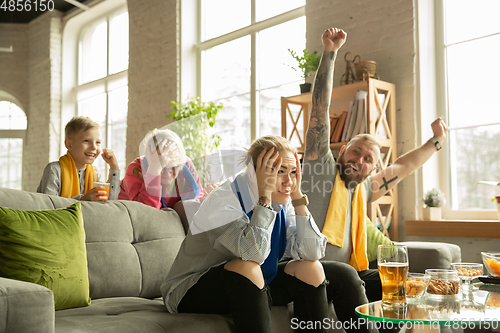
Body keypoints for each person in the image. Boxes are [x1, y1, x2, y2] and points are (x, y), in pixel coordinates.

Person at [302, 25, 447, 304]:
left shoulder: (365, 189)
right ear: (342, 150)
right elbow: (319, 112)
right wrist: (330, 53)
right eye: (356, 152)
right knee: (351, 277)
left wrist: (436, 141)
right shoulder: (320, 169)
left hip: (349, 272)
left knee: (403, 284)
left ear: (373, 168)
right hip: (313, 272)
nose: (359, 160)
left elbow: (405, 166)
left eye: (369, 159)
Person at [161, 135, 330, 333]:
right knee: (247, 267)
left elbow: (313, 252)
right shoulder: (224, 200)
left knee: (312, 269)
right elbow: (253, 254)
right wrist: (264, 196)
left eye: (293, 172)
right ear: (253, 172)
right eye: (278, 172)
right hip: (189, 289)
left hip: (253, 284)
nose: (288, 181)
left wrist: (298, 196)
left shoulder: (283, 200)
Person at [118, 128, 204, 232]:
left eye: (175, 167)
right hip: (129, 210)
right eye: (163, 168)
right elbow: (145, 215)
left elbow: (197, 199)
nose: (169, 173)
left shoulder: (184, 163)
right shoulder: (135, 170)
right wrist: (154, 170)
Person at [37, 116, 120, 201]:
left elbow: (109, 202)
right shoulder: (54, 169)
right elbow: (48, 206)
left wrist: (114, 167)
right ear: (69, 144)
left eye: (98, 142)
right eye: (86, 141)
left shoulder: (95, 173)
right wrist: (82, 201)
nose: (94, 147)